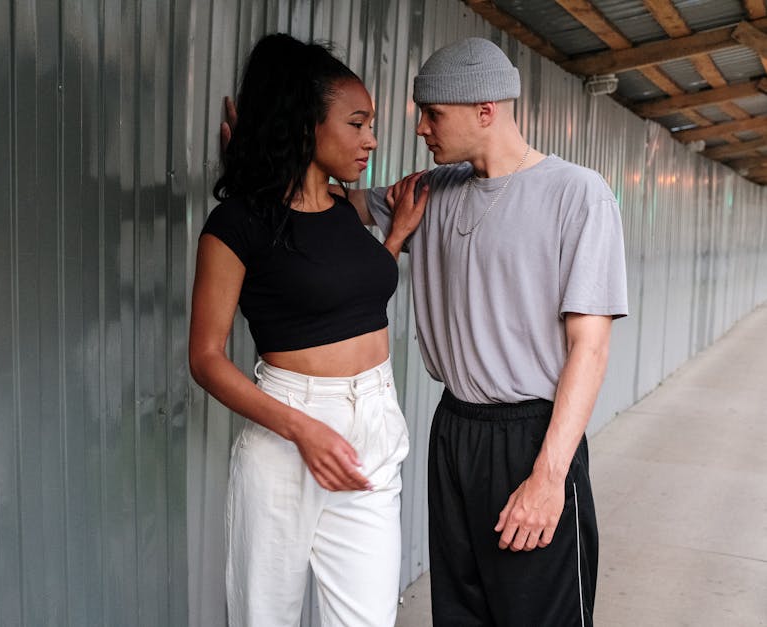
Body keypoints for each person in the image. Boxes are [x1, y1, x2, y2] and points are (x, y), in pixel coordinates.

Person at [348, 37, 629, 626]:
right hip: (454, 431)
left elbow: (590, 347)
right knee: (460, 611)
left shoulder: (576, 194)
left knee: (538, 614)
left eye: (433, 114)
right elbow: (331, 206)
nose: (421, 128)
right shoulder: (428, 193)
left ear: (485, 110)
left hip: (532, 434)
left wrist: (549, 479)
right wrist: (263, 158)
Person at [188, 33, 425, 627]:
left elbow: (345, 297)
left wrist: (392, 243)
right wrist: (303, 430)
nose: (371, 139)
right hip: (287, 434)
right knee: (265, 617)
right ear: (304, 125)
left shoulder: (348, 210)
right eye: (356, 123)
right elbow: (206, 357)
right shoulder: (238, 224)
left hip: (372, 425)